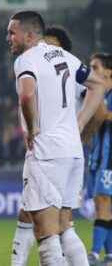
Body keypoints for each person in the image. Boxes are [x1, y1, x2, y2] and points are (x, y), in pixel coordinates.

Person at [9, 10, 105, 265]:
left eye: (12, 32)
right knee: (65, 227)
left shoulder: (26, 60)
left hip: (47, 152)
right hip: (72, 152)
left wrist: (31, 128)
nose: (8, 37)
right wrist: (80, 123)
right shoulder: (66, 57)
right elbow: (100, 86)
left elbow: (27, 95)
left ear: (29, 35)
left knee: (46, 233)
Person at [86, 52, 112, 266]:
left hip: (109, 161)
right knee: (102, 206)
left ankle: (94, 254)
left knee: (102, 204)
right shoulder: (101, 93)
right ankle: (109, 255)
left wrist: (99, 110)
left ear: (108, 72)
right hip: (96, 159)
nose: (91, 71)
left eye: (95, 67)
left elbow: (105, 116)